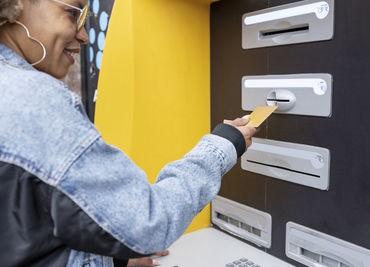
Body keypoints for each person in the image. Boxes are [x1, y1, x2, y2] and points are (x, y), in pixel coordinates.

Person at [0, 0, 257, 266]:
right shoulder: (35, 100)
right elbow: (149, 223)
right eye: (72, 13)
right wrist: (224, 145)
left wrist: (115, 260)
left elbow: (29, 233)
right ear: (13, 7)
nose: (84, 35)